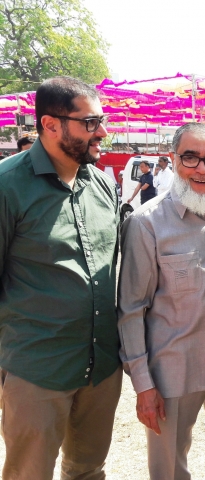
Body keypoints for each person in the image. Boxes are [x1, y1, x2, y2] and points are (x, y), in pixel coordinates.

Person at [0, 76, 121, 479]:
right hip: (37, 369)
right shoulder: (7, 185)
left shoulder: (101, 183)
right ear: (50, 125)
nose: (102, 132)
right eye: (90, 122)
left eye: (101, 120)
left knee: (88, 471)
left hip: (100, 367)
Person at [118, 122, 205, 480]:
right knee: (168, 471)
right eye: (190, 157)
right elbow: (131, 310)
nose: (201, 169)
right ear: (173, 159)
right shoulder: (147, 224)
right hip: (171, 370)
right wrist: (143, 384)